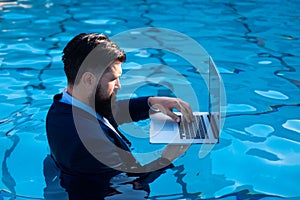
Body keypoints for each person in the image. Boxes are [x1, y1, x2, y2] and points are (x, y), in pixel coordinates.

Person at [44, 33, 194, 199]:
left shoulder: (63, 106)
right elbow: (133, 184)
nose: (119, 86)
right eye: (113, 79)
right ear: (88, 80)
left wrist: (151, 103)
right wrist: (169, 155)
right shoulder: (88, 141)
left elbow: (106, 113)